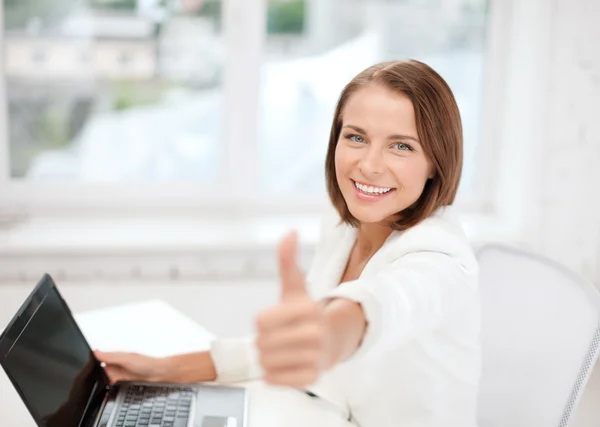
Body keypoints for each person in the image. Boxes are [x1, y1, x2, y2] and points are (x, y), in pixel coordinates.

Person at [96, 59, 481, 427]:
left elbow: (386, 303)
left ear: (436, 161)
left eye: (401, 146)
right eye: (356, 137)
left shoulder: (442, 260)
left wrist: (331, 334)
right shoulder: (343, 224)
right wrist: (166, 370)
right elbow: (292, 347)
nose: (369, 164)